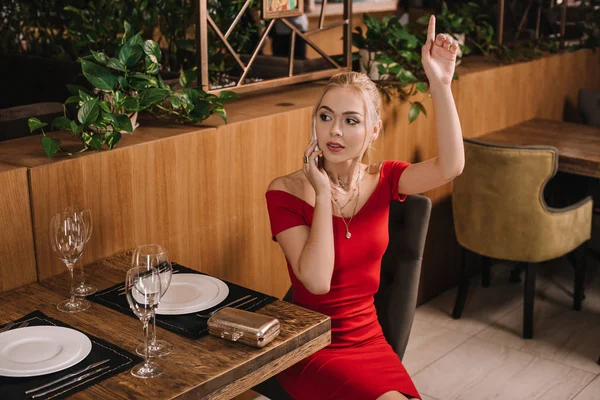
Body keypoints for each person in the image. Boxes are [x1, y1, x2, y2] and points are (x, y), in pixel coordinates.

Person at [265, 16, 464, 400]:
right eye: (325, 117)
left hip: (369, 341)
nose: (334, 131)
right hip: (313, 346)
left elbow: (450, 166)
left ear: (373, 130)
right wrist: (323, 195)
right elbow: (318, 282)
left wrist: (440, 84)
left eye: (350, 120)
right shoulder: (285, 191)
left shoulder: (385, 178)